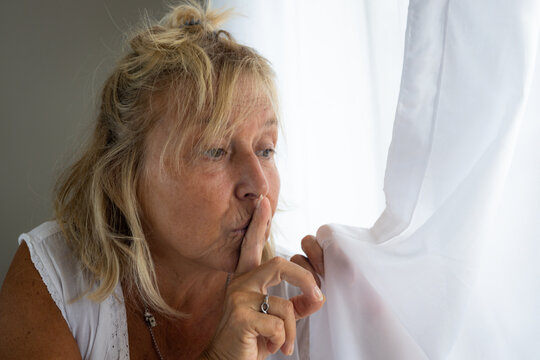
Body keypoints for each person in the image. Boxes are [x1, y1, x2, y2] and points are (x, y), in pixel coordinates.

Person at [0, 1, 326, 359]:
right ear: (123, 173)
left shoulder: (300, 297)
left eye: (265, 150)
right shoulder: (55, 279)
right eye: (215, 150)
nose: (259, 186)